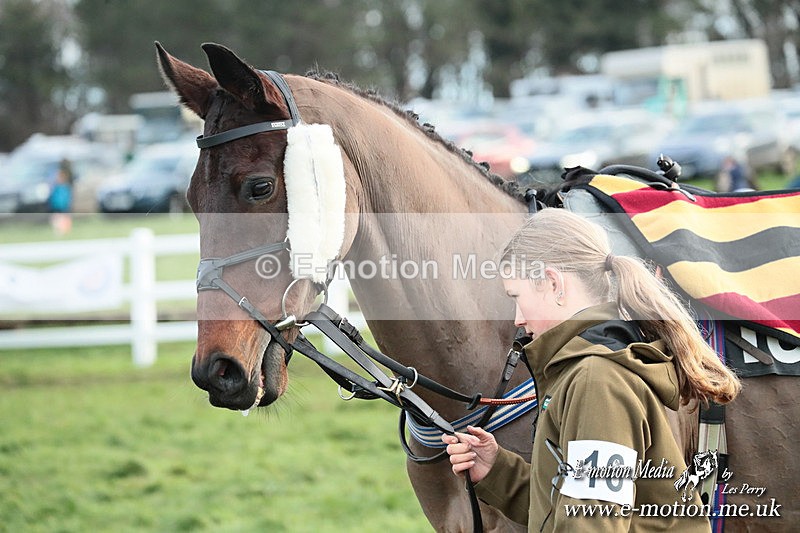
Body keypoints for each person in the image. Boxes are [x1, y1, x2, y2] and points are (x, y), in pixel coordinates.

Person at [443, 208, 740, 532]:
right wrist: (497, 471)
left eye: (517, 296)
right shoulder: (587, 371)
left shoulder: (597, 381)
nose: (518, 319)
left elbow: (591, 523)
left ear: (554, 283)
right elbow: (568, 506)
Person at [49, 158, 74, 235]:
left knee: (65, 218)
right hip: (57, 206)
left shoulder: (66, 187)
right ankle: (58, 230)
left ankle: (65, 230)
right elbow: (53, 197)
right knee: (56, 217)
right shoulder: (56, 187)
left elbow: (67, 197)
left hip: (64, 206)